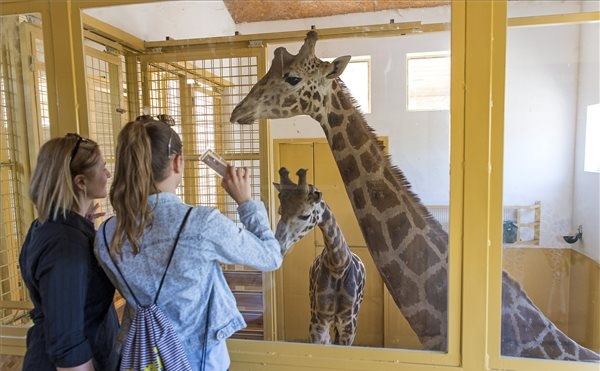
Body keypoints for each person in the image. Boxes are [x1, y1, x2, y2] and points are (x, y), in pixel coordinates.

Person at [94, 115, 283, 371]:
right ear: (176, 162)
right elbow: (271, 256)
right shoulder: (201, 224)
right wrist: (245, 202)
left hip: (141, 359)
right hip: (201, 362)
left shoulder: (106, 234)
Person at [20, 133, 119, 371]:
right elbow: (67, 344)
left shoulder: (47, 225)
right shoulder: (65, 245)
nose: (107, 175)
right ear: (81, 182)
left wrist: (82, 225)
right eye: (102, 168)